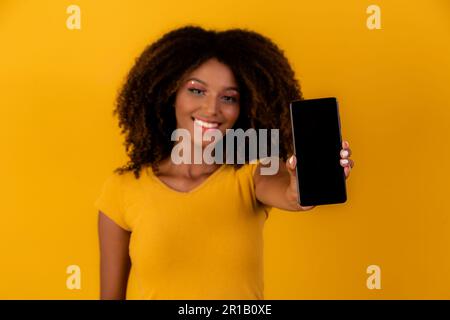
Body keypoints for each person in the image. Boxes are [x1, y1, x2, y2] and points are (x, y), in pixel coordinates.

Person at [94, 25, 354, 300]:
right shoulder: (122, 189)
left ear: (244, 108)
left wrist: (303, 181)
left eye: (228, 97)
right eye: (197, 91)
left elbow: (293, 195)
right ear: (169, 94)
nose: (211, 109)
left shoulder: (251, 173)